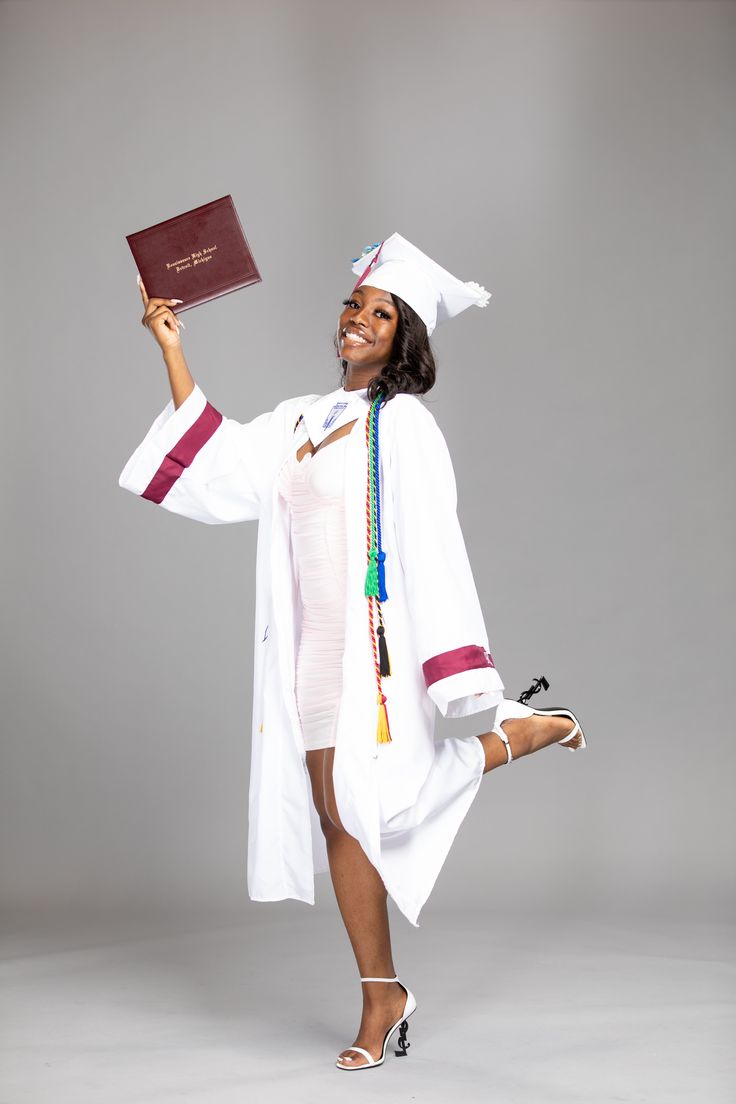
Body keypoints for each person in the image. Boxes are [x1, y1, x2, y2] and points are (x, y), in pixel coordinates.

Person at [119, 232, 586, 1072]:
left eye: (380, 313)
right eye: (354, 305)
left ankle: (525, 730)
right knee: (341, 815)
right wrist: (174, 350)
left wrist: (454, 667)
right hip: (306, 651)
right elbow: (221, 463)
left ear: (403, 338)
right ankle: (382, 993)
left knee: (382, 804)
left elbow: (434, 539)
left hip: (376, 656)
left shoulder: (401, 422)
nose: (358, 320)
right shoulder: (301, 416)